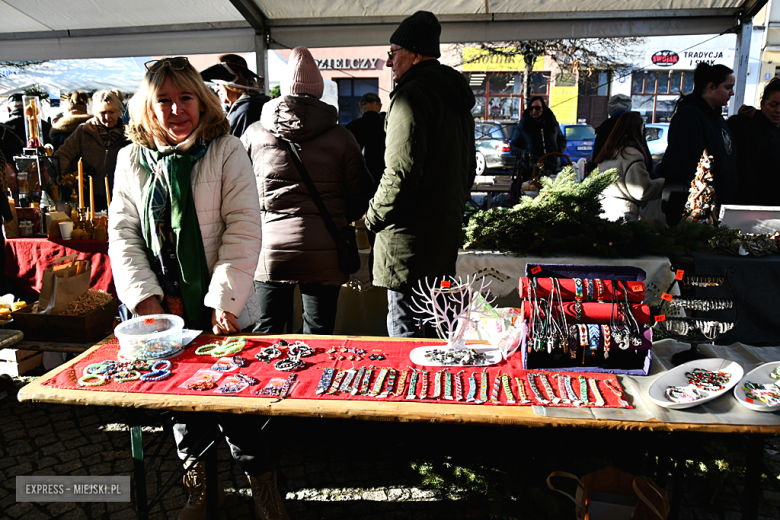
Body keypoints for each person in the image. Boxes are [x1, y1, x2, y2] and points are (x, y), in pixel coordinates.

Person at [108, 57, 286, 520]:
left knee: (237, 402)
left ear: (202, 100)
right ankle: (200, 491)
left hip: (220, 306)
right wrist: (144, 298)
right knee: (181, 404)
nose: (175, 109)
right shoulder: (130, 159)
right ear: (147, 107)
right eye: (162, 100)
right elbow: (123, 233)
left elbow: (243, 229)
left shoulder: (226, 150)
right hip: (163, 310)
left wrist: (223, 302)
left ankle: (265, 492)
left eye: (185, 97)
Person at [242, 46, 373, 335]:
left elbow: (240, 194)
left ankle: (269, 382)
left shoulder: (254, 133)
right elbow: (359, 197)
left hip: (270, 250)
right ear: (318, 90)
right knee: (319, 334)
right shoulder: (342, 137)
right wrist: (338, 215)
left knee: (269, 331)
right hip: (325, 250)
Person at [365, 11, 476, 338]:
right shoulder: (454, 98)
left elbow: (400, 173)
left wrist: (372, 216)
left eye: (393, 53)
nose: (389, 63)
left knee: (408, 352)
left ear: (414, 54)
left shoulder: (411, 96)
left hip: (408, 249)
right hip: (441, 243)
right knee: (439, 341)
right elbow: (467, 171)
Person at [657, 63, 737, 223]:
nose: (732, 93)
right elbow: (689, 162)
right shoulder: (690, 115)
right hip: (691, 206)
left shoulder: (716, 117)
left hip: (711, 205)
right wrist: (707, 198)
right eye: (728, 87)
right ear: (711, 87)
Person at [54, 90, 129, 212]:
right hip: (89, 196)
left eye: (111, 112)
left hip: (121, 195)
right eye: (102, 112)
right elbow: (62, 155)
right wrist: (67, 181)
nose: (107, 117)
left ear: (119, 112)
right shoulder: (84, 131)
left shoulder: (128, 135)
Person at [594, 112, 665, 223]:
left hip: (603, 211)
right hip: (624, 214)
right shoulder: (632, 155)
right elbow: (641, 191)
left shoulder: (608, 153)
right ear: (638, 131)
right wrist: (662, 183)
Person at [734, 78, 780, 205]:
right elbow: (746, 176)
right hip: (760, 209)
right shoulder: (751, 134)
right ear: (762, 104)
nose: (778, 110)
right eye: (773, 105)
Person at [201, 54, 270, 138]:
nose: (216, 89)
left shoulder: (248, 110)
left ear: (233, 84)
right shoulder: (242, 108)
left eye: (218, 84)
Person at [591, 94, 653, 173]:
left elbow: (596, 160)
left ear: (609, 110)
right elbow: (646, 157)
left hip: (608, 178)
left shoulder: (605, 128)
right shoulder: (635, 126)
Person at [509, 96, 566, 175]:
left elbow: (561, 139)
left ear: (543, 108)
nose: (534, 111)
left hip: (553, 168)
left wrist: (558, 151)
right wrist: (525, 154)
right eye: (531, 108)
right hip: (530, 170)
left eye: (537, 108)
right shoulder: (523, 125)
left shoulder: (552, 123)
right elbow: (513, 147)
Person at [345, 91, 386, 189]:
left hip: (357, 181)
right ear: (380, 107)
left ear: (360, 106)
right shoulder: (387, 126)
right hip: (383, 180)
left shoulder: (350, 128)